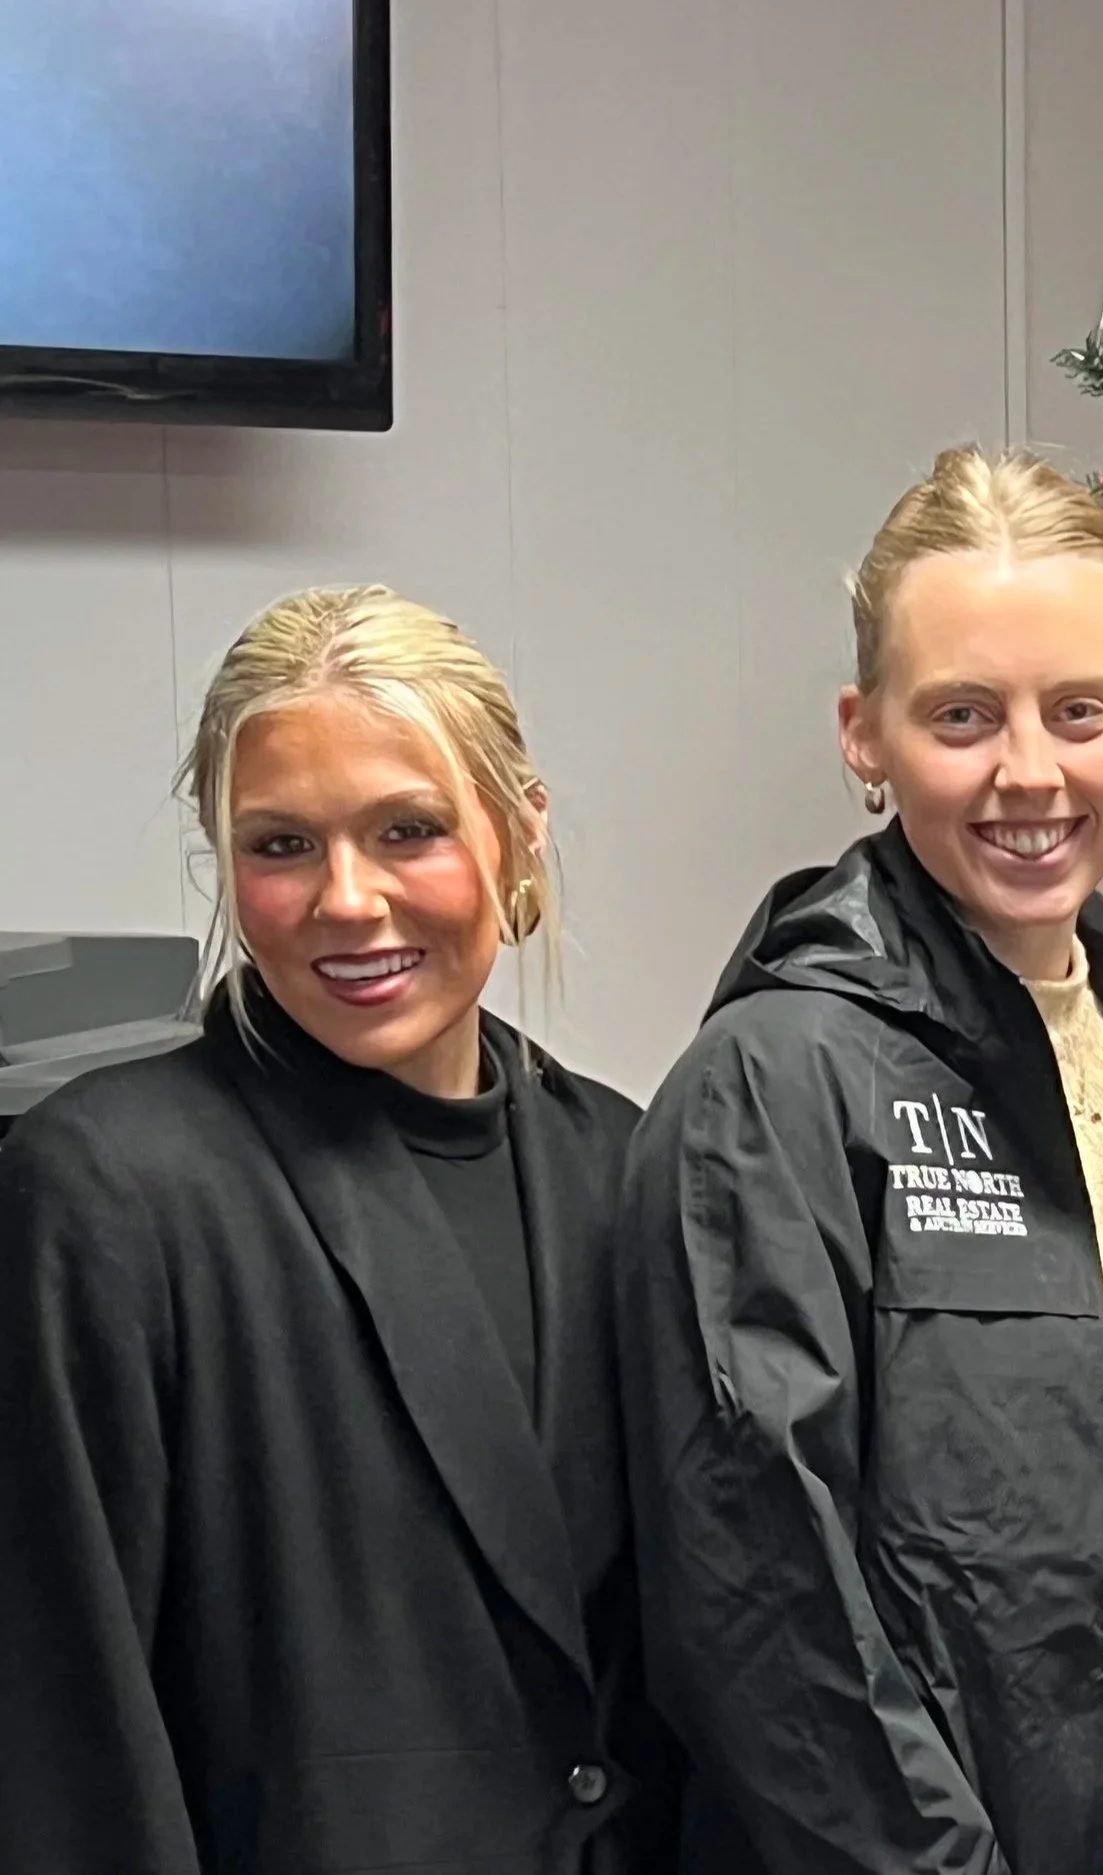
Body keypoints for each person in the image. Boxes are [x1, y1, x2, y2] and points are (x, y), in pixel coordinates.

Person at [615, 447, 1103, 1875]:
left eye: (1078, 710)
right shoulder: (777, 1082)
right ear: (865, 733)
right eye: (963, 716)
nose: (1028, 772)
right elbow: (754, 1593)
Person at [0, 586, 680, 1873]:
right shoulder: (110, 1191)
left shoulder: (628, 1164)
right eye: (281, 847)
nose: (347, 901)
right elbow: (63, 1734)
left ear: (518, 834)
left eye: (408, 830)